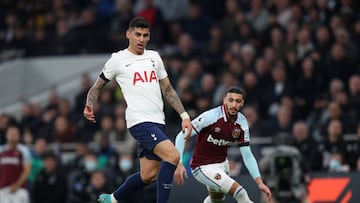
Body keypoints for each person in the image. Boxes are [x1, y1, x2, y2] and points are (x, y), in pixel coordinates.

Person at [83, 17, 192, 203]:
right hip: (139, 121)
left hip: (158, 121)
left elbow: (168, 89)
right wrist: (89, 103)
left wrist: (184, 115)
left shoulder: (154, 57)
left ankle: (112, 199)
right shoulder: (117, 59)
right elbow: (97, 86)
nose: (141, 39)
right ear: (128, 34)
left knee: (148, 175)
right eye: (138, 35)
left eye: (145, 35)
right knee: (173, 155)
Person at [174, 87, 272, 203]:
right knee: (240, 193)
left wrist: (259, 182)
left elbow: (248, 155)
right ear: (224, 100)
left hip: (222, 165)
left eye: (238, 101)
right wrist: (179, 163)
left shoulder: (242, 123)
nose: (234, 105)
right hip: (202, 167)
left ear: (242, 103)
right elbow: (181, 136)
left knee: (217, 199)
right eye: (231, 100)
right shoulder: (210, 117)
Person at [0, 125, 31, 203]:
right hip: (3, 188)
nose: (13, 135)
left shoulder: (24, 150)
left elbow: (27, 170)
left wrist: (17, 185)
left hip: (19, 189)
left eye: (15, 133)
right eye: (11, 133)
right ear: (6, 135)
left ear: (19, 136)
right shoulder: (1, 150)